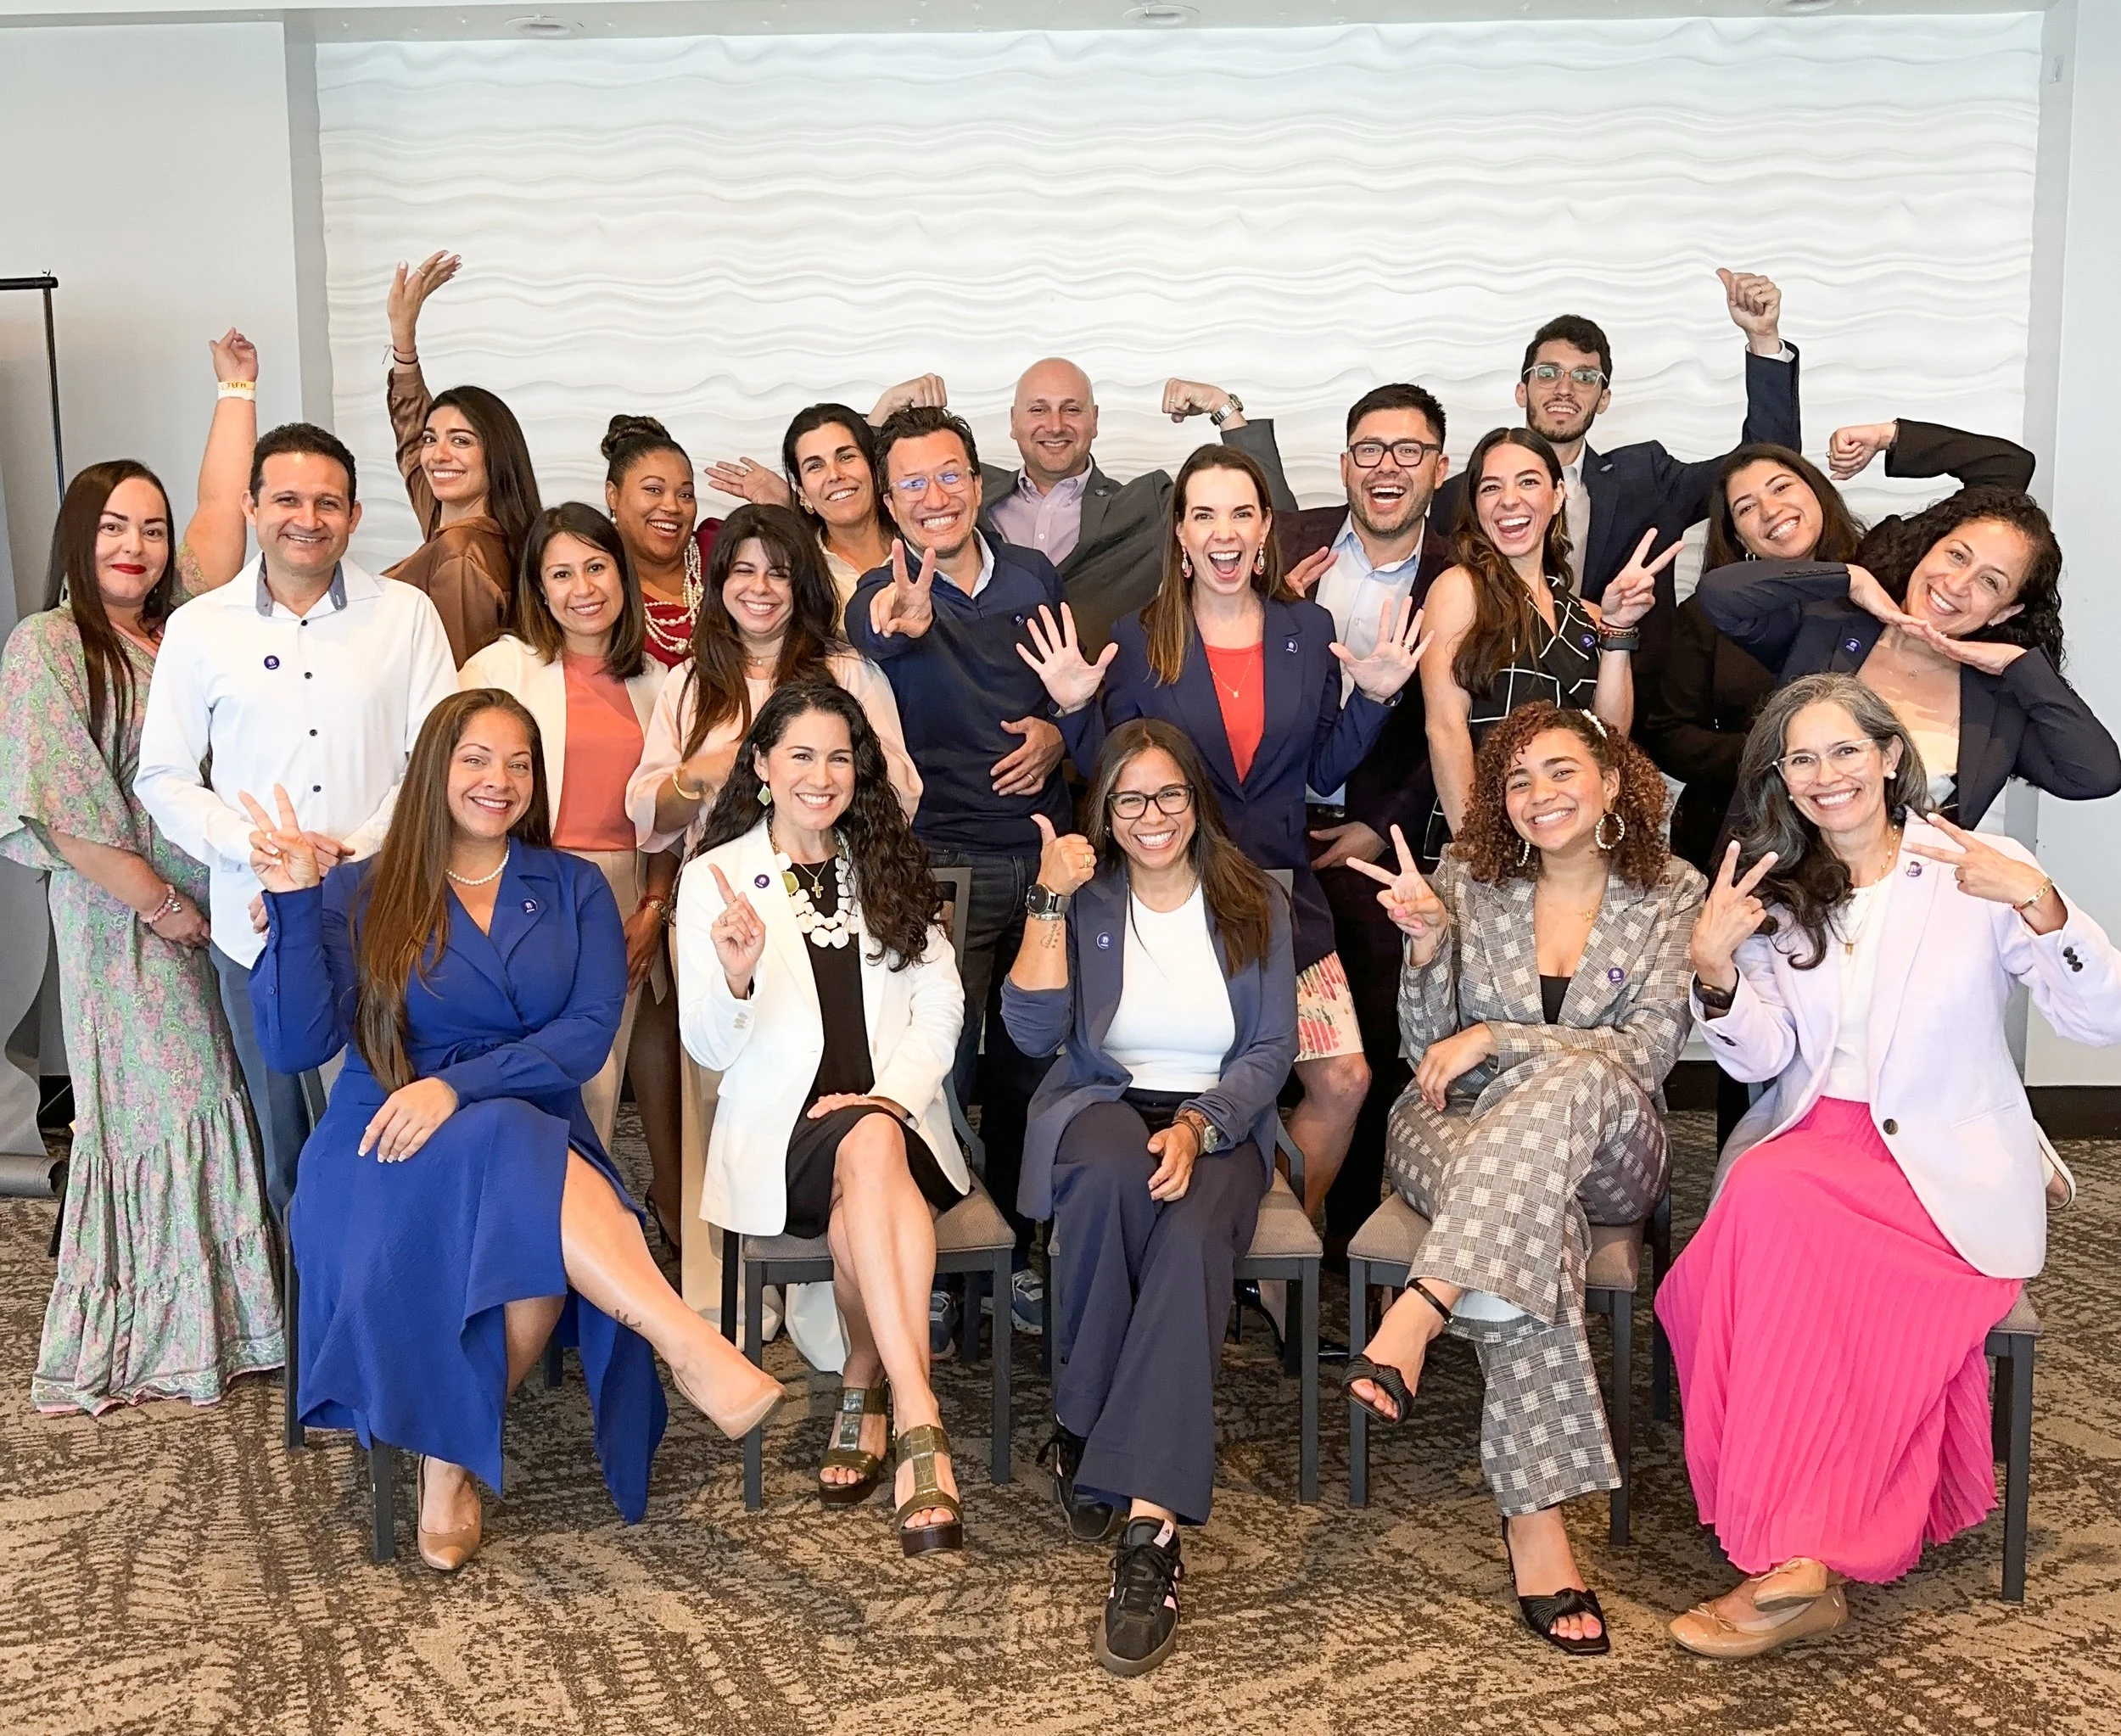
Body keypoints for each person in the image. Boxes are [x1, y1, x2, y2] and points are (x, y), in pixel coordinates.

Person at [245, 692, 784, 1571]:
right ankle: (685, 1341)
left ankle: (449, 1461)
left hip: (526, 1116)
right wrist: (295, 905)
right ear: (434, 769)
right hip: (383, 1134)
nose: (499, 780)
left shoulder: (571, 886)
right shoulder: (359, 889)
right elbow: (295, 1044)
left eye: (519, 763)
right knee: (525, 1185)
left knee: (516, 1172)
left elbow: (586, 1036)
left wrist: (456, 1089)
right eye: (476, 759)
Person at [1658, 674, 2121, 1658]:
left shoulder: (1978, 865)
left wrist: (2039, 903)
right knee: (1756, 1214)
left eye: (1844, 750)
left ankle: (1798, 1555)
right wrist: (1714, 972)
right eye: (1801, 759)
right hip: (1815, 1139)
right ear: (1781, 779)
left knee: (1785, 1238)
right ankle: (1802, 1555)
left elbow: (2101, 1019)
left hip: (1944, 1163)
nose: (1825, 775)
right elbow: (1763, 1058)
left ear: (1889, 756)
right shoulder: (1781, 893)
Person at [1341, 703, 1704, 1657]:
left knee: (1577, 1082)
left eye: (1560, 771)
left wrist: (1500, 1036)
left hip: (1607, 1142)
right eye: (1516, 780)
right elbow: (1426, 1052)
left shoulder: (1672, 891)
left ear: (1612, 783)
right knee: (1527, 1222)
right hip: (1455, 1132)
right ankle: (1536, 1524)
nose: (1537, 795)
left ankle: (1423, 1304)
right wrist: (1426, 949)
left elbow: (1644, 1052)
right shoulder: (1469, 879)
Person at [1021, 445, 1422, 1243]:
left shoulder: (1306, 629)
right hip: (1168, 899)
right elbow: (1120, 776)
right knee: (1196, 1070)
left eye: (1242, 512)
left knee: (1345, 1080)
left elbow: (1321, 767)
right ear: (1180, 533)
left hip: (1280, 899)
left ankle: (1267, 1245)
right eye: (1204, 514)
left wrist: (1375, 701)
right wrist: (1072, 711)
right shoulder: (1140, 638)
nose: (1224, 532)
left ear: (1267, 526)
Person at [0, 333, 283, 1414]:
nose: (137, 545)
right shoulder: (48, 645)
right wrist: (162, 908)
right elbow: (67, 815)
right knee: (172, 1108)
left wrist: (236, 387)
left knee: (227, 1097)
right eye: (113, 526)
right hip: (128, 922)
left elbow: (219, 508)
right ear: (80, 538)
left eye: (149, 529)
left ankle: (240, 1318)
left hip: (218, 906)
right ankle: (169, 1333)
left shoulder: (184, 630)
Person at [1000, 720, 1296, 1677]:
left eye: (1169, 794)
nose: (1151, 815)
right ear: (1106, 814)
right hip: (1105, 1101)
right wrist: (1048, 898)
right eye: (1129, 799)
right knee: (1102, 1178)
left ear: (1195, 801)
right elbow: (1031, 1031)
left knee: (1191, 1238)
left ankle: (1148, 1526)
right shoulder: (1085, 900)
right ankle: (1086, 1422)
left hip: (1221, 1117)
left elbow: (1272, 1050)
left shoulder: (1253, 899)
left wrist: (1203, 1125)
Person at [135, 421, 459, 1221]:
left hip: (386, 921)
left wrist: (348, 853)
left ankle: (393, 1295)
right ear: (251, 507)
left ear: (353, 515)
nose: (306, 519)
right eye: (286, 499)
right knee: (287, 1156)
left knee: (397, 1137)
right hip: (256, 927)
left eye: (327, 503)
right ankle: (305, 1302)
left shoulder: (405, 615)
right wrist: (258, 849)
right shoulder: (201, 627)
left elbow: (437, 763)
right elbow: (163, 776)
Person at [676, 682, 971, 1556]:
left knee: (868, 1170)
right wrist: (735, 976)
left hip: (896, 1120)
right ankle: (917, 1412)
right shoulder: (716, 880)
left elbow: (942, 1002)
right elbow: (706, 1048)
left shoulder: (884, 860)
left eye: (839, 757)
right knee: (864, 1153)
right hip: (785, 1140)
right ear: (763, 766)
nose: (821, 774)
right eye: (800, 755)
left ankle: (866, 1380)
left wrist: (888, 1098)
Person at [844, 405, 1077, 1338]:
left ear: (979, 486)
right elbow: (876, 629)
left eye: (949, 476)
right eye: (911, 483)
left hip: (1039, 857)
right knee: (939, 1065)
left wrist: (1059, 734)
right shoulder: (884, 590)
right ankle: (936, 1255)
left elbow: (1065, 685)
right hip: (938, 867)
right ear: (889, 501)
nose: (934, 497)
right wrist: (896, 619)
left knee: (1031, 1065)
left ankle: (1015, 1246)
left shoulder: (1032, 575)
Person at [1643, 417, 2041, 871]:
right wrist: (1789, 757)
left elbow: (2007, 467)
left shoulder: (1891, 569)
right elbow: (1669, 735)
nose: (1770, 510)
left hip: (1883, 846)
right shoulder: (1718, 609)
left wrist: (1889, 437)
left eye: (1781, 487)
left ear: (1817, 490)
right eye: (1746, 507)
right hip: (1745, 835)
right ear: (1736, 534)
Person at [1276, 383, 1459, 1256]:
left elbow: (1456, 722)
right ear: (1345, 463)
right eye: (1370, 450)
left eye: (1408, 451)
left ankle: (1347, 1243)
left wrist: (1384, 823)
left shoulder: (1459, 576)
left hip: (1378, 847)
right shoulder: (1284, 542)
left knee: (1371, 1046)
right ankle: (1264, 1233)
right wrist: (1272, 607)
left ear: (1439, 468)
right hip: (1268, 831)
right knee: (1271, 1038)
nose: (1388, 467)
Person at [1430, 268, 1799, 682]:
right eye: (1548, 373)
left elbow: (1766, 461)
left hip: (1631, 697)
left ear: (1603, 398)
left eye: (1585, 377)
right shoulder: (1458, 495)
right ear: (1522, 390)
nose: (1564, 388)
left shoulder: (1648, 478)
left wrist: (1763, 340)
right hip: (1496, 698)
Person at [1693, 484, 2116, 828]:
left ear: (2005, 611)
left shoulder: (1999, 702)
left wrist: (2017, 665)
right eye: (1956, 556)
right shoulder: (1828, 625)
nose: (1957, 585)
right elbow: (1719, 596)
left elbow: (2095, 776)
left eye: (1990, 582)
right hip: (1769, 890)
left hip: (1909, 902)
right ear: (1928, 548)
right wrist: (1850, 579)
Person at [458, 504, 671, 1183]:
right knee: (522, 1071)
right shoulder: (501, 668)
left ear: (622, 574)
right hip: (521, 884)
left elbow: (673, 811)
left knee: (599, 1075)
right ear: (539, 588)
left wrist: (653, 907)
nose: (583, 588)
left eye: (596, 567)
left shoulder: (659, 681)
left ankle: (590, 1213)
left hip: (624, 889)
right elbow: (455, 786)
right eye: (561, 573)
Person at [1416, 426, 1665, 868]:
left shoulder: (1585, 612)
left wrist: (1618, 629)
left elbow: (1608, 738)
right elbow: (1445, 729)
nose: (1509, 500)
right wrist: (1477, 851)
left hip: (1573, 834)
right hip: (1489, 835)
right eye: (1491, 487)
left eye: (1528, 481)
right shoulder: (1461, 589)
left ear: (1558, 495)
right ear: (1476, 505)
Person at [981, 359, 1298, 653]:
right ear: (1013, 421)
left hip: (1105, 692)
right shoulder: (970, 496)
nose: (1055, 425)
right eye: (1038, 410)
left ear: (1094, 420)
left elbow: (1275, 524)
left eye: (1071, 409)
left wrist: (1223, 407)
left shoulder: (1147, 505)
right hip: (982, 691)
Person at [383, 250, 545, 664]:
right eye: (432, 439)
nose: (438, 455)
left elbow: (460, 679)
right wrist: (404, 342)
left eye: (460, 441)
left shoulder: (460, 553)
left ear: (496, 455)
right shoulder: (454, 526)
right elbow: (410, 441)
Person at [601, 413, 720, 671]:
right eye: (654, 490)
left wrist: (784, 505)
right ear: (612, 495)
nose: (672, 506)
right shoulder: (595, 580)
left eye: (685, 494)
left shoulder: (719, 550)